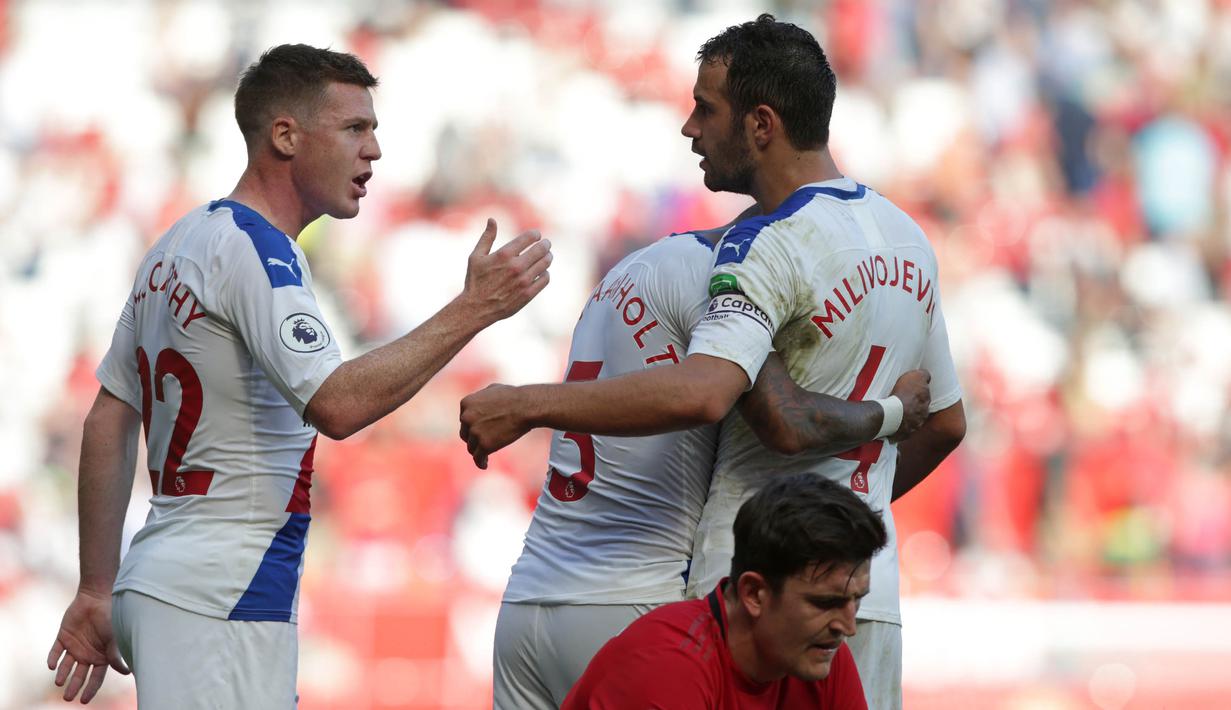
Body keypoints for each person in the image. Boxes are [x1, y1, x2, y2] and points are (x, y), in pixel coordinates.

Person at [460, 15, 965, 709]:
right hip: (863, 597)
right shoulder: (909, 240)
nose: (689, 128)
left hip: (761, 607)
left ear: (760, 125)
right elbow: (945, 424)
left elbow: (710, 395)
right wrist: (856, 515)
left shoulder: (761, 244)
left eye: (706, 108)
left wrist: (521, 404)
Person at [46, 44, 551, 708]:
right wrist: (474, 309)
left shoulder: (175, 246)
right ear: (284, 135)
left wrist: (96, 585)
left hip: (177, 574)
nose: (373, 150)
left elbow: (110, 417)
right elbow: (336, 405)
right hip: (221, 587)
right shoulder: (258, 249)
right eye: (353, 128)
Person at [492, 216, 931, 710]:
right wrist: (892, 412)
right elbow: (783, 418)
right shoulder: (731, 280)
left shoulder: (630, 270)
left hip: (530, 594)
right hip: (631, 594)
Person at [561, 472, 884, 709]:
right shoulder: (669, 666)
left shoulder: (820, 653)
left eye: (856, 601)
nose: (848, 626)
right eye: (826, 602)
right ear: (754, 594)